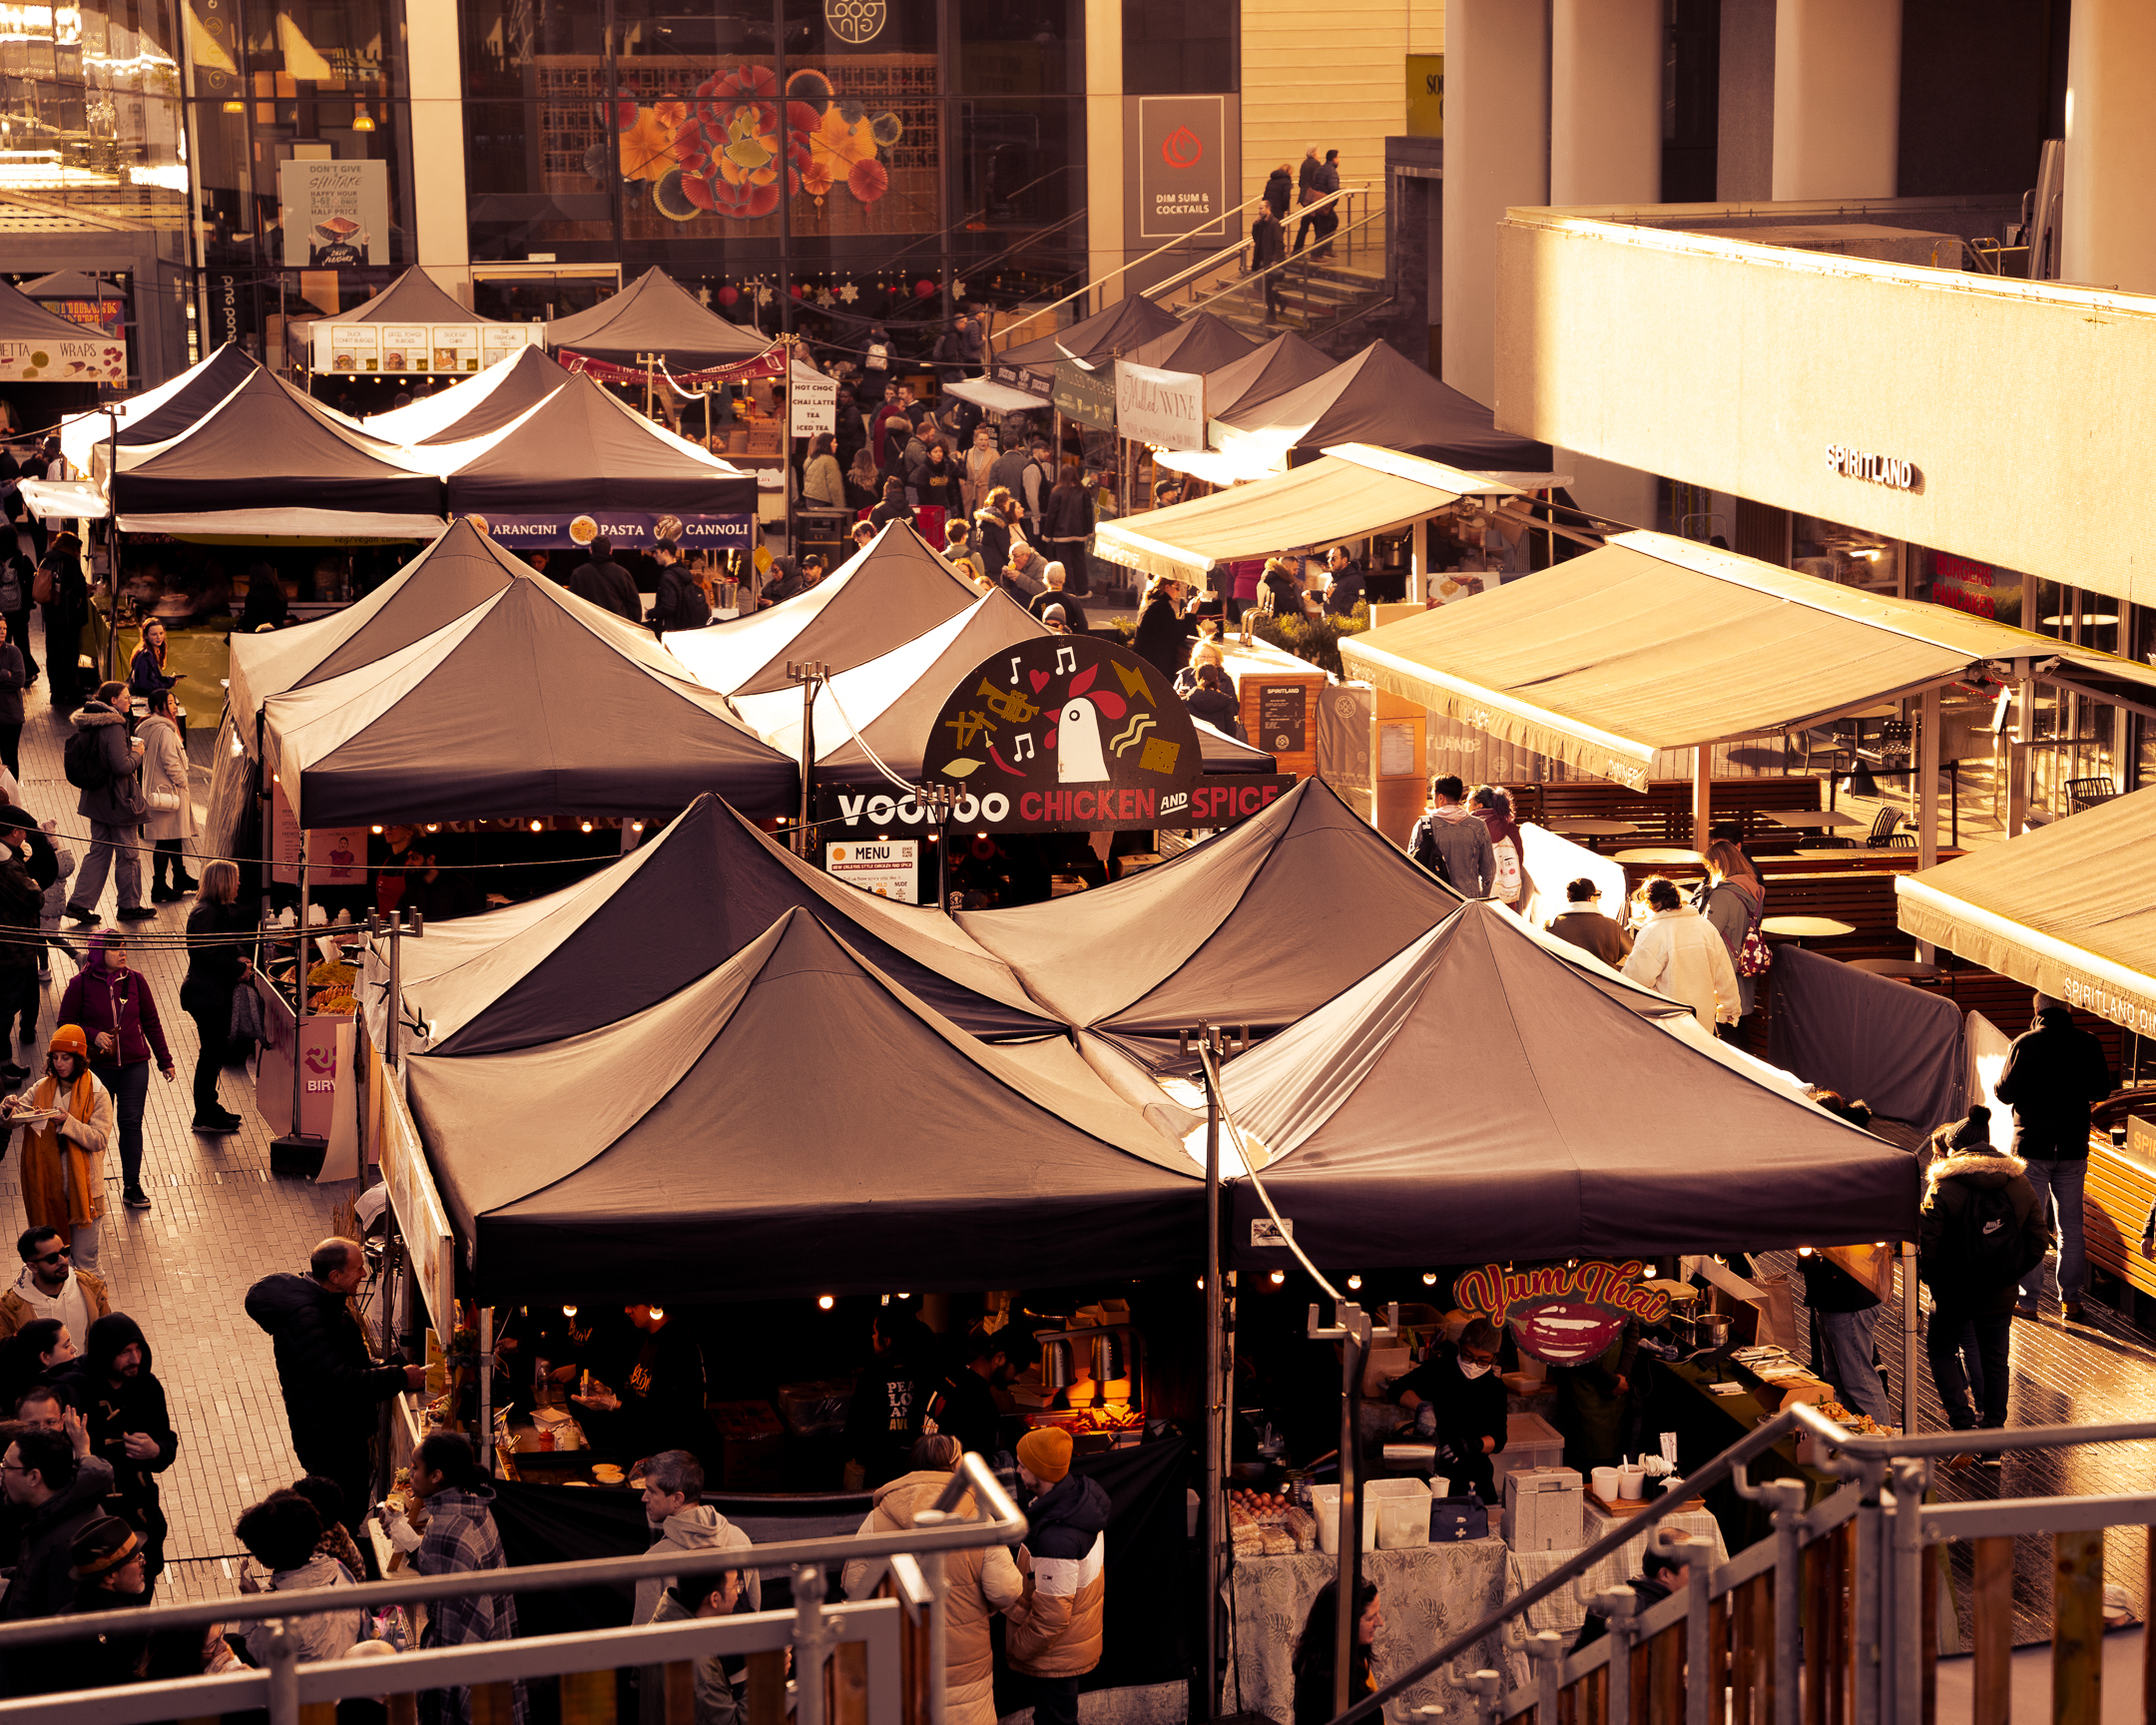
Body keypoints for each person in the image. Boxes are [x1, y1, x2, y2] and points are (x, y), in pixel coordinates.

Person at [246, 1239, 429, 1529]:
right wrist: (400, 1377)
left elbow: (346, 1366)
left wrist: (393, 1366)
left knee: (345, 1506)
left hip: (333, 1435)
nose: (365, 1274)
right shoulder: (310, 1320)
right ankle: (337, 1552)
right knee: (341, 1512)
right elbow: (343, 1382)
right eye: (358, 1269)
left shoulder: (323, 1305)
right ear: (335, 1276)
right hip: (330, 1442)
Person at [840, 1434, 1020, 1725]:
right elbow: (1006, 1589)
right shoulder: (979, 1518)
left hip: (900, 1662)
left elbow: (855, 1585)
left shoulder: (878, 1518)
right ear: (955, 1467)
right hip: (964, 1671)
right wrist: (985, 1603)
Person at [1919, 1106, 2049, 1454]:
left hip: (1953, 1291)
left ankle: (1963, 1426)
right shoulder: (2018, 1183)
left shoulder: (1943, 1186)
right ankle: (1992, 1443)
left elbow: (1926, 1243)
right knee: (1995, 1362)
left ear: (1956, 1147)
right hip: (1999, 1291)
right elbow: (2039, 1239)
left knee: (1942, 1352)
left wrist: (1935, 1280)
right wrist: (2011, 1271)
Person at [377, 1433, 526, 1725]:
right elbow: (438, 1566)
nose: (410, 1473)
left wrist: (403, 1534)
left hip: (460, 1651)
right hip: (496, 1648)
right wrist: (402, 1532)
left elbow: (439, 1576)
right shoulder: (474, 1507)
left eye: (415, 1467)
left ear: (436, 1476)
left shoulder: (447, 1527)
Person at [1993, 993, 2113, 1322]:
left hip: (2032, 1147)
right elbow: (2102, 1090)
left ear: (2037, 1010)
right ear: (2068, 1009)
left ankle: (2029, 1301)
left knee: (2029, 1224)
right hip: (2072, 1148)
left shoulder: (2025, 1043)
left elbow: (2004, 1093)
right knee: (2071, 1228)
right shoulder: (2089, 1043)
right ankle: (2070, 1301)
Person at [633, 1450, 758, 1725]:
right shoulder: (740, 1540)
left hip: (683, 1688)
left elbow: (642, 1643)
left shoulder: (654, 1561)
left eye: (651, 1491)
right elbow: (753, 1610)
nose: (643, 1498)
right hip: (743, 1678)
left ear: (677, 1499)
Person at [57, 930, 173, 1211]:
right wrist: (93, 1034)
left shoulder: (135, 980)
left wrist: (164, 1060)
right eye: (115, 949)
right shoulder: (79, 985)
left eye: (123, 947)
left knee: (131, 1123)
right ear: (98, 953)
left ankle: (132, 1186)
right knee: (94, 1127)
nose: (122, 953)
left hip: (135, 1065)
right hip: (98, 1069)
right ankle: (85, 1185)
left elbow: (151, 1021)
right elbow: (65, 1024)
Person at [56, 1314, 176, 1582]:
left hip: (140, 1518)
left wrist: (156, 1450)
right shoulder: (69, 1392)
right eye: (125, 1352)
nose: (135, 1359)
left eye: (138, 1349)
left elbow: (168, 1442)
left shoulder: (148, 1386)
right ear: (104, 1354)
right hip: (92, 1523)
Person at [1003, 1428, 1108, 1725]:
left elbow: (1052, 1618)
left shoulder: (1056, 1539)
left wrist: (1017, 1648)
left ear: (1040, 1472)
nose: (1018, 1470)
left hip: (1054, 1656)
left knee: (1055, 1720)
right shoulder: (1076, 1502)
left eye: (1023, 1465)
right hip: (1066, 1648)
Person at [1, 1028, 114, 1274]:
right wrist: (8, 1108)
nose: (59, 1064)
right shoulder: (42, 1088)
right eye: (55, 1057)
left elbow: (98, 1139)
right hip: (48, 1190)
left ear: (79, 1059)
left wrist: (67, 1122)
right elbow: (16, 1117)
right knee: (58, 1261)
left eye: (66, 1057)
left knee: (86, 1262)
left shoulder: (97, 1093)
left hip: (85, 1193)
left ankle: (95, 1300)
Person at [236, 1489, 366, 1664]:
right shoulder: (340, 1570)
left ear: (262, 1559)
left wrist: (251, 1602)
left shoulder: (281, 1618)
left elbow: (250, 1655)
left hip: (311, 1680)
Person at [1383, 1318, 1507, 1500]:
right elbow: (1396, 1389)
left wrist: (1473, 1444)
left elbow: (1499, 1439)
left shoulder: (1495, 1388)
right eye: (1468, 1355)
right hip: (1427, 1468)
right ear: (1460, 1345)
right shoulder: (1437, 1370)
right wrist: (1422, 1407)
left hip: (1472, 1475)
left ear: (1495, 1357)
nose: (1474, 1364)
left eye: (1483, 1360)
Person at [1, 1427, 115, 1620]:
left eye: (6, 1466)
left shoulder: (65, 1543)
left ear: (34, 1477)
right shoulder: (59, 1512)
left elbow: (61, 1625)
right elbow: (37, 1576)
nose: (1, 1473)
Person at [572, 1303, 709, 1462]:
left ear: (654, 1304)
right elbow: (641, 1396)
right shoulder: (649, 1338)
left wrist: (614, 1404)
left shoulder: (678, 1345)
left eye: (634, 1303)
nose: (627, 1310)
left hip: (667, 1463)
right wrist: (609, 1393)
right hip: (643, 1455)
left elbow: (667, 1416)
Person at [63, 682, 151, 926]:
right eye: (126, 696)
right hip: (117, 801)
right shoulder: (113, 725)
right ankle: (129, 905)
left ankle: (79, 904)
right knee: (128, 853)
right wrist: (137, 754)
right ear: (113, 701)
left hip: (96, 799)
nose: (130, 700)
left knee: (99, 851)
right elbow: (121, 766)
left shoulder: (91, 721)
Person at [176, 859, 250, 1135]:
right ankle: (204, 1114)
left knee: (214, 1053)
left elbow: (227, 944)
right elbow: (206, 953)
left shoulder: (217, 909)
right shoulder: (204, 913)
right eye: (235, 878)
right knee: (210, 1055)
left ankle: (210, 1107)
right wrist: (238, 968)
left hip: (212, 993)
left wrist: (240, 955)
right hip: (206, 996)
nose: (239, 883)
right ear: (223, 881)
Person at [1622, 876, 1742, 1028]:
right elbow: (1724, 972)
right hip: (1702, 1019)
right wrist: (1729, 1008)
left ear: (1648, 904)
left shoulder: (1653, 932)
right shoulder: (1705, 926)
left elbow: (1634, 980)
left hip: (1668, 1021)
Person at [842, 1311, 938, 1490]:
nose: (872, 1336)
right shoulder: (928, 1368)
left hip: (882, 1472)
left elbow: (855, 1428)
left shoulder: (872, 1374)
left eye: (875, 1332)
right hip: (922, 1471)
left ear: (887, 1340)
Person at [1798, 1248, 1891, 1426]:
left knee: (1859, 1380)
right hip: (1831, 1294)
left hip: (1848, 1296)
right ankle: (1851, 1432)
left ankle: (1882, 1437)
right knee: (1838, 1378)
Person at [1291, 1576, 1380, 1725]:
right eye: (1371, 1617)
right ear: (1345, 1622)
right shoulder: (1329, 1687)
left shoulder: (1350, 1660)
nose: (1380, 1622)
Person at [136, 688, 196, 905]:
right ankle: (159, 886)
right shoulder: (165, 730)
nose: (175, 706)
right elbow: (170, 761)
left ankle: (180, 876)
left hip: (155, 788)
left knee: (172, 835)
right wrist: (182, 781)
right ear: (158, 707)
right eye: (170, 703)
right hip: (168, 792)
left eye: (174, 702)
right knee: (164, 839)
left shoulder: (146, 727)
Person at [1697, 838, 1767, 1018]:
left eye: (1708, 866)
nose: (1709, 871)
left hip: (1724, 971)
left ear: (1717, 863)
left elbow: (1707, 932)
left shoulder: (1722, 895)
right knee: (1738, 1020)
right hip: (1745, 964)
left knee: (1725, 1023)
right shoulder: (1754, 889)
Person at [0, 1227, 108, 1345]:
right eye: (52, 1258)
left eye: (64, 1252)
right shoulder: (10, 1308)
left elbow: (109, 1336)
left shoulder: (90, 1286)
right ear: (32, 1266)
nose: (63, 1261)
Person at [0, 810, 44, 1074]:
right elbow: (34, 897)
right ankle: (3, 1067)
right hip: (13, 949)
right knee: (6, 1007)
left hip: (11, 946)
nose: (26, 836)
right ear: (14, 832)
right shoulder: (7, 864)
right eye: (23, 831)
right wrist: (35, 883)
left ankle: (5, 1063)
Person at [1407, 776, 1494, 896]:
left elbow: (1411, 865)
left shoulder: (1423, 825)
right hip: (1468, 899)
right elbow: (1488, 870)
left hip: (1434, 899)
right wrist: (1482, 896)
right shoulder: (1479, 826)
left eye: (1433, 796)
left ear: (1440, 798)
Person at [38, 531, 89, 714]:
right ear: (72, 547)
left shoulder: (47, 559)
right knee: (69, 654)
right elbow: (80, 587)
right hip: (67, 616)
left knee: (52, 653)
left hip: (50, 614)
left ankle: (55, 692)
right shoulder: (70, 562)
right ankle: (69, 691)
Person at [1545, 879, 1632, 966]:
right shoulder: (1613, 925)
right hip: (1603, 975)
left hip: (1564, 974)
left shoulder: (1551, 925)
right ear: (1591, 898)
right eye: (1597, 895)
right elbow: (1634, 952)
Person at [1467, 785, 1527, 907]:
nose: (1465, 806)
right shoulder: (1510, 827)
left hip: (1478, 898)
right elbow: (1519, 859)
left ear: (1479, 806)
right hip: (1507, 897)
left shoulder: (1470, 828)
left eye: (1468, 802)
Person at [1039, 466, 1094, 594]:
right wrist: (1088, 530)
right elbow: (1088, 513)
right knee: (1079, 561)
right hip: (1080, 533)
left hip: (1061, 534)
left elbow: (1052, 514)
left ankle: (1069, 591)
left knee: (1064, 563)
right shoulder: (1084, 492)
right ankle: (1082, 590)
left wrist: (1047, 534)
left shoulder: (1057, 492)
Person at [568, 536, 643, 624]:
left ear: (590, 550)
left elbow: (571, 604)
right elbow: (635, 607)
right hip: (617, 627)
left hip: (588, 627)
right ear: (611, 551)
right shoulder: (623, 574)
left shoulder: (578, 574)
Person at [1131, 577, 1194, 678]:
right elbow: (1177, 635)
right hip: (1155, 665)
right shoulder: (1162, 607)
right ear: (1167, 587)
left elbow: (1169, 626)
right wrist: (1191, 614)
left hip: (1144, 662)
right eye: (1177, 587)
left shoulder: (1152, 602)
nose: (1179, 591)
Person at [649, 539, 711, 637]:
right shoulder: (684, 571)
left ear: (666, 552)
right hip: (683, 627)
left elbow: (668, 607)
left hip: (670, 630)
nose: (653, 556)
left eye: (656, 552)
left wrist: (650, 613)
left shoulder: (667, 577)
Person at [126, 620, 179, 706]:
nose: (159, 637)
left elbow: (150, 679)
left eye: (161, 633)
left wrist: (170, 679)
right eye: (154, 634)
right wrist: (168, 682)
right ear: (146, 636)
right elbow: (145, 684)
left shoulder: (149, 652)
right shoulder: (145, 655)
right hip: (143, 702)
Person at [1184, 663, 1244, 739]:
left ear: (1197, 678)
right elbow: (1231, 732)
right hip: (1219, 743)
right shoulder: (1226, 701)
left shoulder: (1186, 701)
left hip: (1195, 743)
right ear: (1216, 677)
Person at [1251, 202, 1288, 318]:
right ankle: (1280, 299)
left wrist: (1275, 260)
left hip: (1271, 261)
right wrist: (1255, 226)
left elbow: (1279, 242)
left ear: (1268, 208)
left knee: (1265, 286)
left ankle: (1271, 314)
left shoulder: (1274, 223)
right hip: (1263, 261)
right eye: (1258, 208)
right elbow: (1256, 239)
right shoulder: (1261, 223)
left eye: (1262, 208)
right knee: (1258, 285)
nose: (1259, 211)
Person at [0, 616, 23, 780]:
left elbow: (19, 680)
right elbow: (12, 679)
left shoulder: (14, 652)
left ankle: (11, 793)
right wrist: (5, 674)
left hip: (11, 717)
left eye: (5, 629)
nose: (2, 632)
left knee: (10, 759)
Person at [1291, 146, 1325, 253]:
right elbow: (1317, 181)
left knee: (1307, 225)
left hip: (1304, 197)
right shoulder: (1316, 164)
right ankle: (1316, 252)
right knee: (1318, 225)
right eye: (1318, 153)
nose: (1319, 155)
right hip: (1311, 198)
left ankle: (1298, 250)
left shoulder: (1304, 163)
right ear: (1314, 154)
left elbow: (1301, 182)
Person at [802, 433, 846, 511]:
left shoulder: (809, 459)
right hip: (824, 501)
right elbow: (834, 487)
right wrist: (840, 508)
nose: (837, 445)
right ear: (827, 444)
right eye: (834, 442)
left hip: (809, 499)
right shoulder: (830, 461)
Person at [1321, 545, 1364, 616]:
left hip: (1344, 622)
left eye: (1333, 558)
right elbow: (1326, 597)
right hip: (1329, 621)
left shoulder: (1355, 579)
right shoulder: (1332, 577)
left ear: (1344, 560)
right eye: (1328, 558)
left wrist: (1335, 594)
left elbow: (1358, 605)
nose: (1329, 561)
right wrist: (1313, 594)